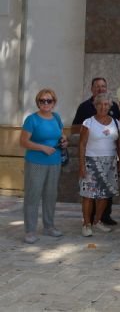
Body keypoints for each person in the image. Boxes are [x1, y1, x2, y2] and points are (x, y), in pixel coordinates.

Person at [71, 77, 120, 226]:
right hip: (91, 158)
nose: (100, 88)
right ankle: (88, 222)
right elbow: (76, 131)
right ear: (92, 89)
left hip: (110, 159)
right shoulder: (84, 108)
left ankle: (102, 219)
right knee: (90, 192)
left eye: (103, 86)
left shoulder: (115, 109)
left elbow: (118, 134)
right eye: (97, 86)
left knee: (105, 192)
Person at [20, 88, 67, 244]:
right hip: (35, 162)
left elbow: (61, 134)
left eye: (49, 100)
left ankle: (49, 226)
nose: (46, 103)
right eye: (42, 100)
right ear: (38, 102)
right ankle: (30, 231)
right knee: (33, 196)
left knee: (50, 195)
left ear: (54, 102)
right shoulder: (31, 120)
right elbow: (23, 142)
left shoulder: (56, 117)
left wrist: (64, 141)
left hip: (54, 162)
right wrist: (42, 147)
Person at [78, 93, 120, 237]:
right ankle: (86, 224)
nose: (103, 107)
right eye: (100, 104)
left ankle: (97, 221)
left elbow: (119, 144)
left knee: (104, 194)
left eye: (106, 104)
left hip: (110, 162)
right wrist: (81, 165)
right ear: (95, 105)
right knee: (89, 195)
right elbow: (82, 144)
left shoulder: (116, 123)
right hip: (91, 161)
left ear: (110, 106)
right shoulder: (88, 122)